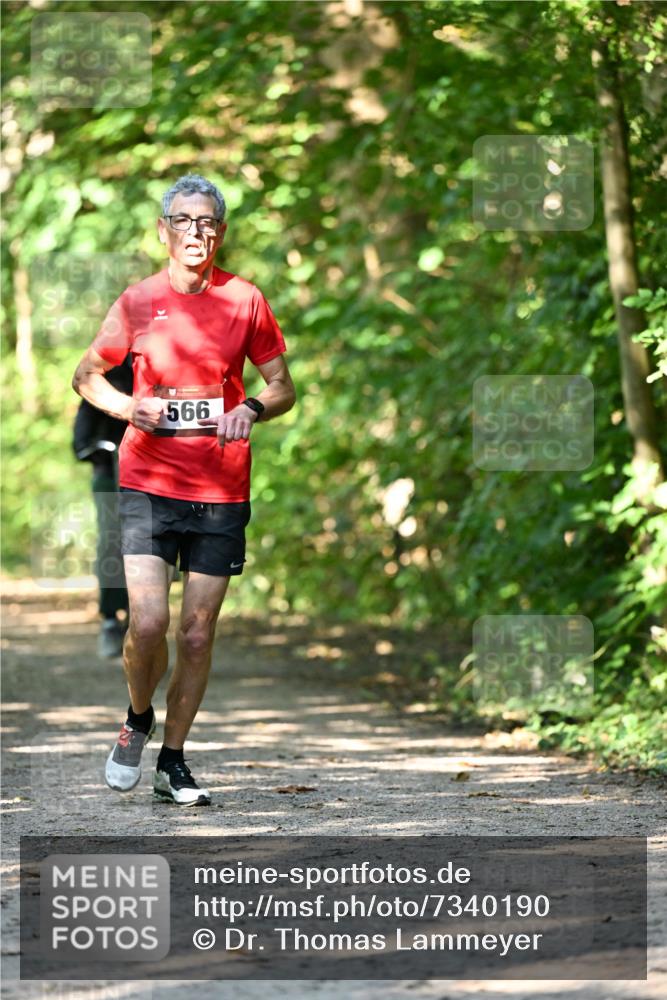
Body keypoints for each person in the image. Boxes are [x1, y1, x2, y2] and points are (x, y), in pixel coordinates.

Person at [72, 174, 296, 806]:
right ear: (163, 230)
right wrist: (126, 407)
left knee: (196, 632)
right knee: (147, 622)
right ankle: (136, 716)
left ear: (220, 232)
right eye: (184, 221)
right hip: (146, 482)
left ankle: (173, 760)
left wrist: (251, 406)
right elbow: (86, 375)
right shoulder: (138, 301)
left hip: (221, 486)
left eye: (207, 223)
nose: (196, 233)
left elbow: (283, 385)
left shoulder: (245, 300)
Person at [73, 357, 132, 657]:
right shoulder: (95, 392)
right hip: (109, 477)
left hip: (147, 477)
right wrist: (103, 451)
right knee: (111, 540)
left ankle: (141, 614)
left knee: (150, 541)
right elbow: (80, 443)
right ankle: (110, 617)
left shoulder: (148, 384)